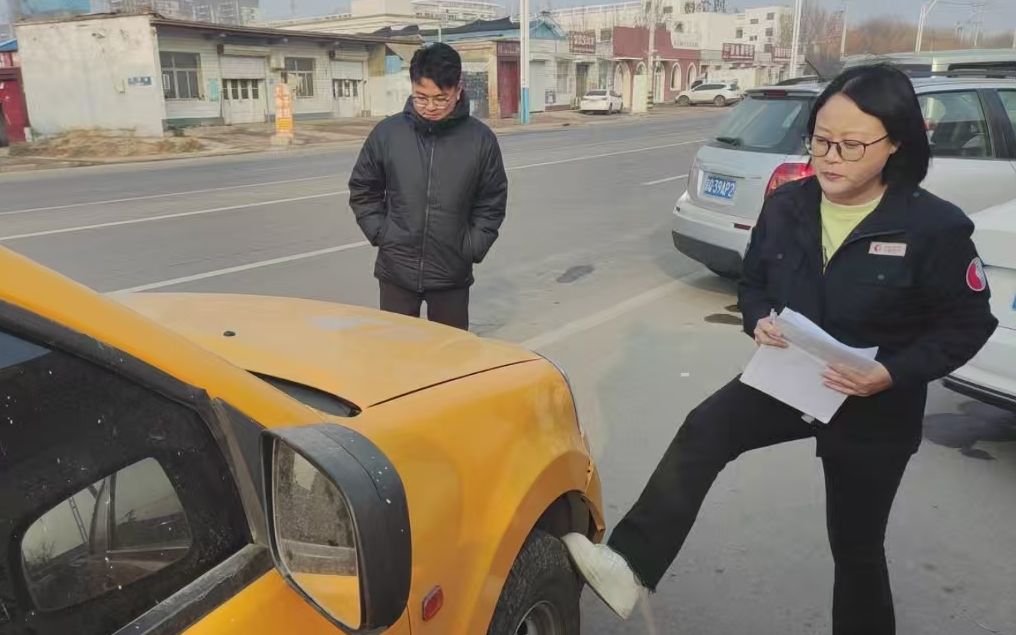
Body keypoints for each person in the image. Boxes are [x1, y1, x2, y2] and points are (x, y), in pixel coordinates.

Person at [563, 64, 998, 634]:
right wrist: (759, 319)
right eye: (820, 140)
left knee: (856, 547)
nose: (831, 158)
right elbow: (754, 283)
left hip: (874, 404)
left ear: (895, 143)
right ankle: (630, 564)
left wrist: (891, 373)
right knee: (704, 430)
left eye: (851, 145)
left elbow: (968, 325)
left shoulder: (934, 228)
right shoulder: (788, 204)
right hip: (790, 377)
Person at [348, 42, 507, 330]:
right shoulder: (388, 134)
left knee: (449, 352)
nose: (430, 107)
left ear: (458, 90)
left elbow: (492, 201)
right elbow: (363, 189)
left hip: (450, 274)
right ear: (412, 87)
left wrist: (471, 247)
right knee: (397, 349)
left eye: (440, 98)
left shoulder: (480, 140)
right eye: (421, 97)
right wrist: (382, 233)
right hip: (396, 272)